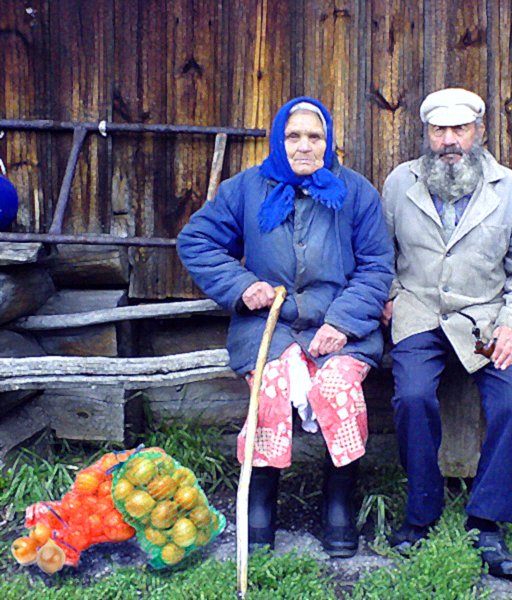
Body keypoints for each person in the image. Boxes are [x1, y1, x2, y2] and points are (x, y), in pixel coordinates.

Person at [177, 97, 394, 558]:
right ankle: (260, 500)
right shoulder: (247, 188)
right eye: (293, 136)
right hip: (267, 325)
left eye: (314, 137)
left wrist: (343, 321)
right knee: (271, 388)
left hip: (340, 325)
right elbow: (196, 240)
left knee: (339, 389)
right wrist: (241, 285)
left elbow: (377, 266)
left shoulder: (355, 192)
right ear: (279, 139)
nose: (303, 146)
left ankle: (337, 501)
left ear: (329, 141)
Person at [381, 87, 512, 579]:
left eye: (459, 130)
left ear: (479, 132)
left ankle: (486, 519)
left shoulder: (508, 187)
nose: (449, 141)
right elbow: (376, 253)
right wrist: (387, 294)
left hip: (485, 318)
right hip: (418, 312)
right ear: (426, 135)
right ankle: (422, 513)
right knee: (412, 396)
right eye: (439, 131)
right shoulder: (398, 183)